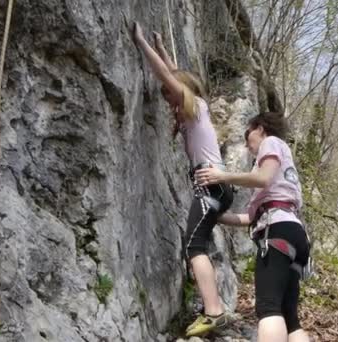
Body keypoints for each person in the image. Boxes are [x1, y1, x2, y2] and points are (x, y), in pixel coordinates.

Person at [132, 23, 235, 337]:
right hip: (217, 186)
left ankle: (214, 311)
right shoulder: (198, 110)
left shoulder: (194, 108)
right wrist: (162, 44)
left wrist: (141, 42)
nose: (169, 104)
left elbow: (167, 75)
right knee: (196, 244)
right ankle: (213, 309)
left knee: (194, 246)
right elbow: (174, 71)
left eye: (170, 97)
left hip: (210, 184)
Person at [196, 112, 311, 342]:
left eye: (248, 137)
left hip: (277, 231)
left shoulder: (271, 142)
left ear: (259, 128)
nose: (249, 147)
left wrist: (222, 176)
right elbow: (249, 217)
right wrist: (216, 217)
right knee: (289, 317)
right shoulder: (285, 166)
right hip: (294, 234)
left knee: (268, 307)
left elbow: (262, 178)